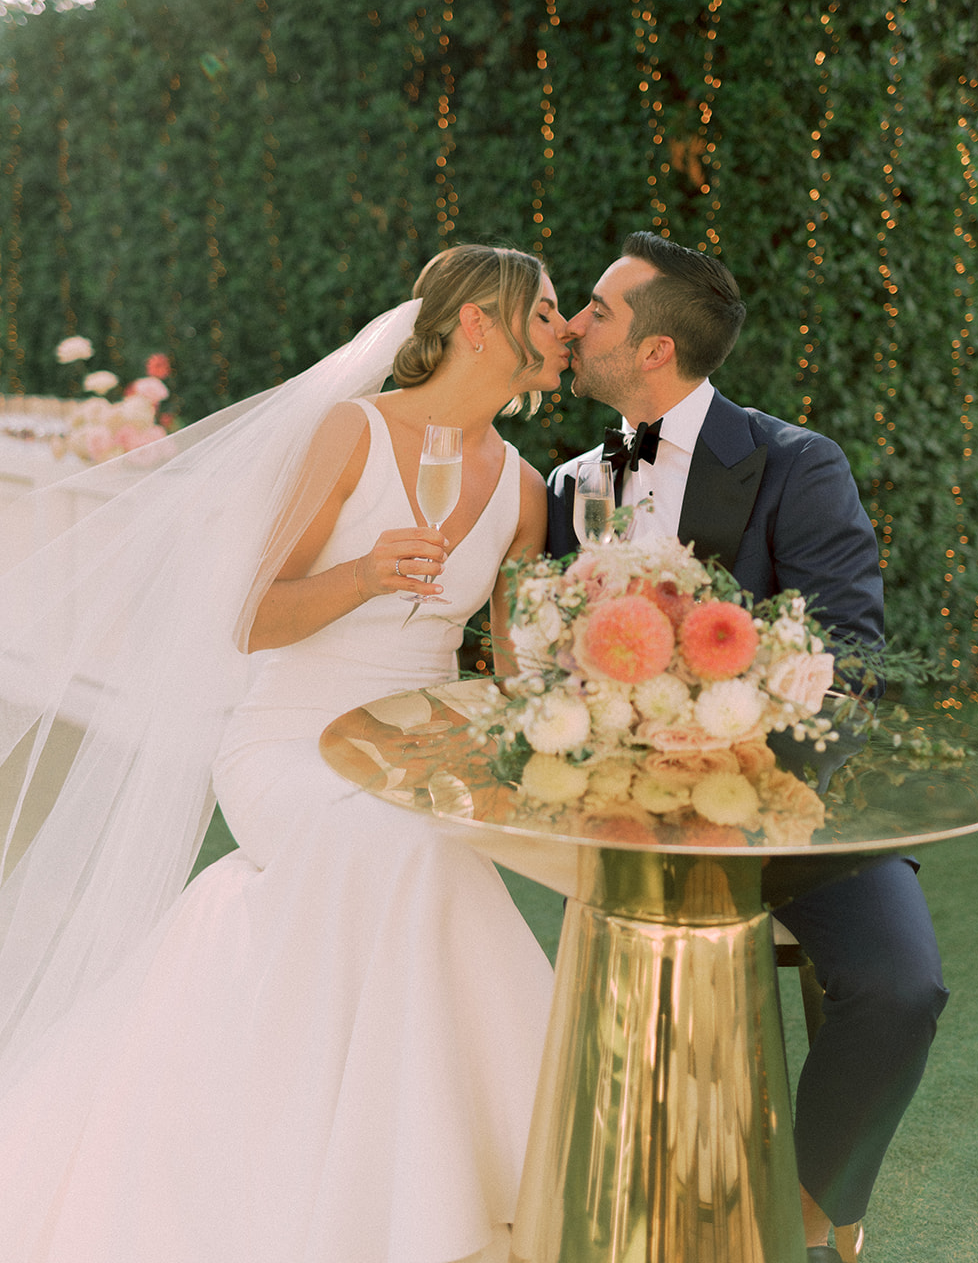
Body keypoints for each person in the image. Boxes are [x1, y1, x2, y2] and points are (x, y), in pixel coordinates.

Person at [0, 243, 571, 1263]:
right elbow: (251, 619)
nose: (562, 332)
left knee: (418, 850)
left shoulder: (524, 492)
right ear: (480, 322)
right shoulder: (352, 434)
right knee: (412, 856)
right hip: (288, 740)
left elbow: (513, 661)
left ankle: (421, 1176)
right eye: (547, 312)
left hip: (414, 752)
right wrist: (361, 572)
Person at [547, 231, 949, 1263]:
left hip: (781, 800)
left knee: (903, 987)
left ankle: (812, 1217)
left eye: (596, 307)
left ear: (652, 350)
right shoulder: (564, 486)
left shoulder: (797, 463)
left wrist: (733, 745)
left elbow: (849, 655)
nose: (574, 323)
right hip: (618, 817)